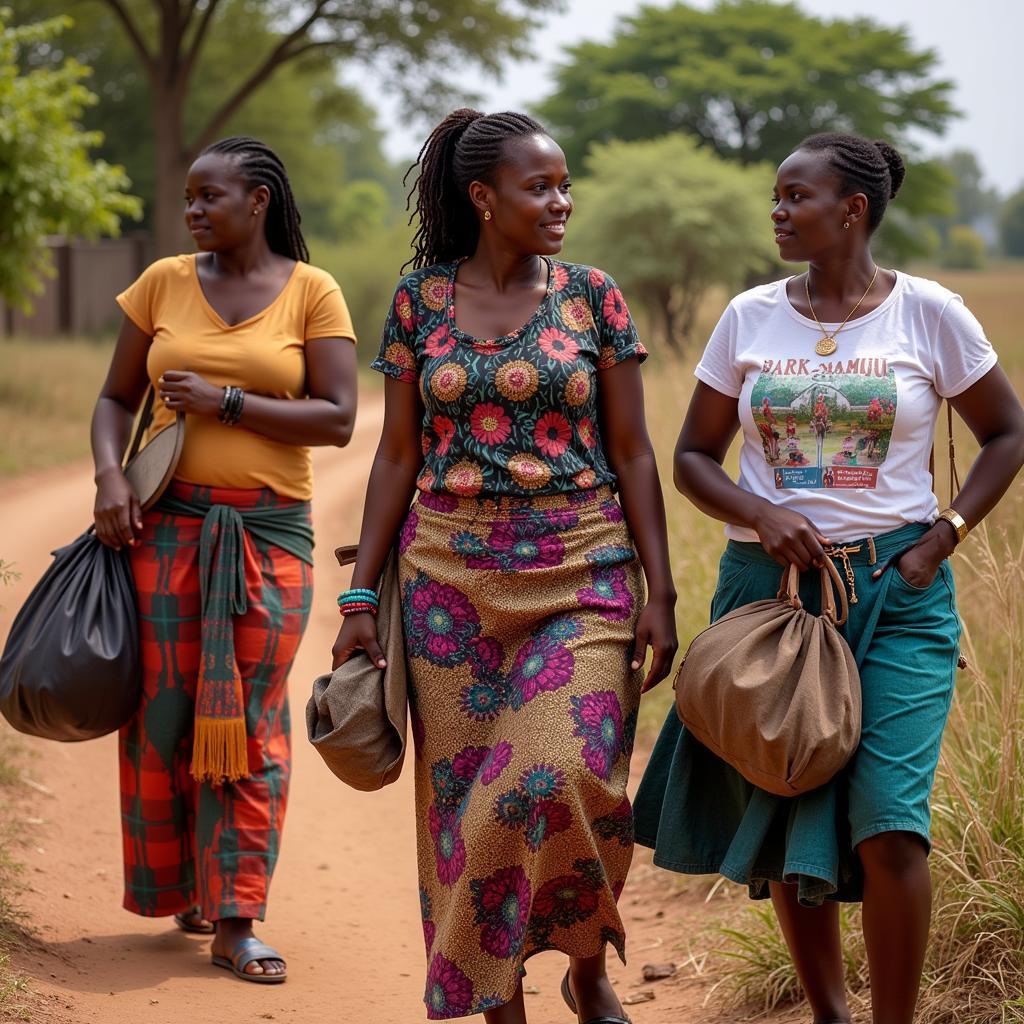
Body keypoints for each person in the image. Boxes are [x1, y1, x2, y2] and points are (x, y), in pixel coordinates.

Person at [634, 133, 1024, 1024]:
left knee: (889, 823)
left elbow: (1009, 431)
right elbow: (693, 455)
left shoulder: (930, 313)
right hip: (770, 597)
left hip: (901, 593)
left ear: (852, 210)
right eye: (776, 196)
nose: (777, 211)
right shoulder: (749, 316)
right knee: (784, 804)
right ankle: (829, 1013)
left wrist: (943, 536)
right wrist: (761, 513)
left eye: (794, 196)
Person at [331, 109, 677, 1023]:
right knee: (463, 807)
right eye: (542, 186)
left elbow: (635, 451)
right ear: (484, 198)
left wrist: (662, 589)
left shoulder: (592, 296)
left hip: (584, 569)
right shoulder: (419, 302)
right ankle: (500, 1004)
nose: (561, 201)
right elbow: (397, 456)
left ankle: (587, 964)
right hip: (450, 584)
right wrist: (361, 595)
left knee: (555, 774)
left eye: (566, 184)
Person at [91, 137, 358, 983]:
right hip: (162, 529)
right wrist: (108, 476)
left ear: (259, 202)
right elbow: (113, 398)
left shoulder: (313, 291)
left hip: (269, 534)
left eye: (210, 197)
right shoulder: (163, 283)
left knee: (246, 720)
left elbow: (341, 417)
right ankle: (187, 887)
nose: (193, 211)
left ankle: (238, 917)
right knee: (163, 713)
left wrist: (227, 403)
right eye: (189, 199)